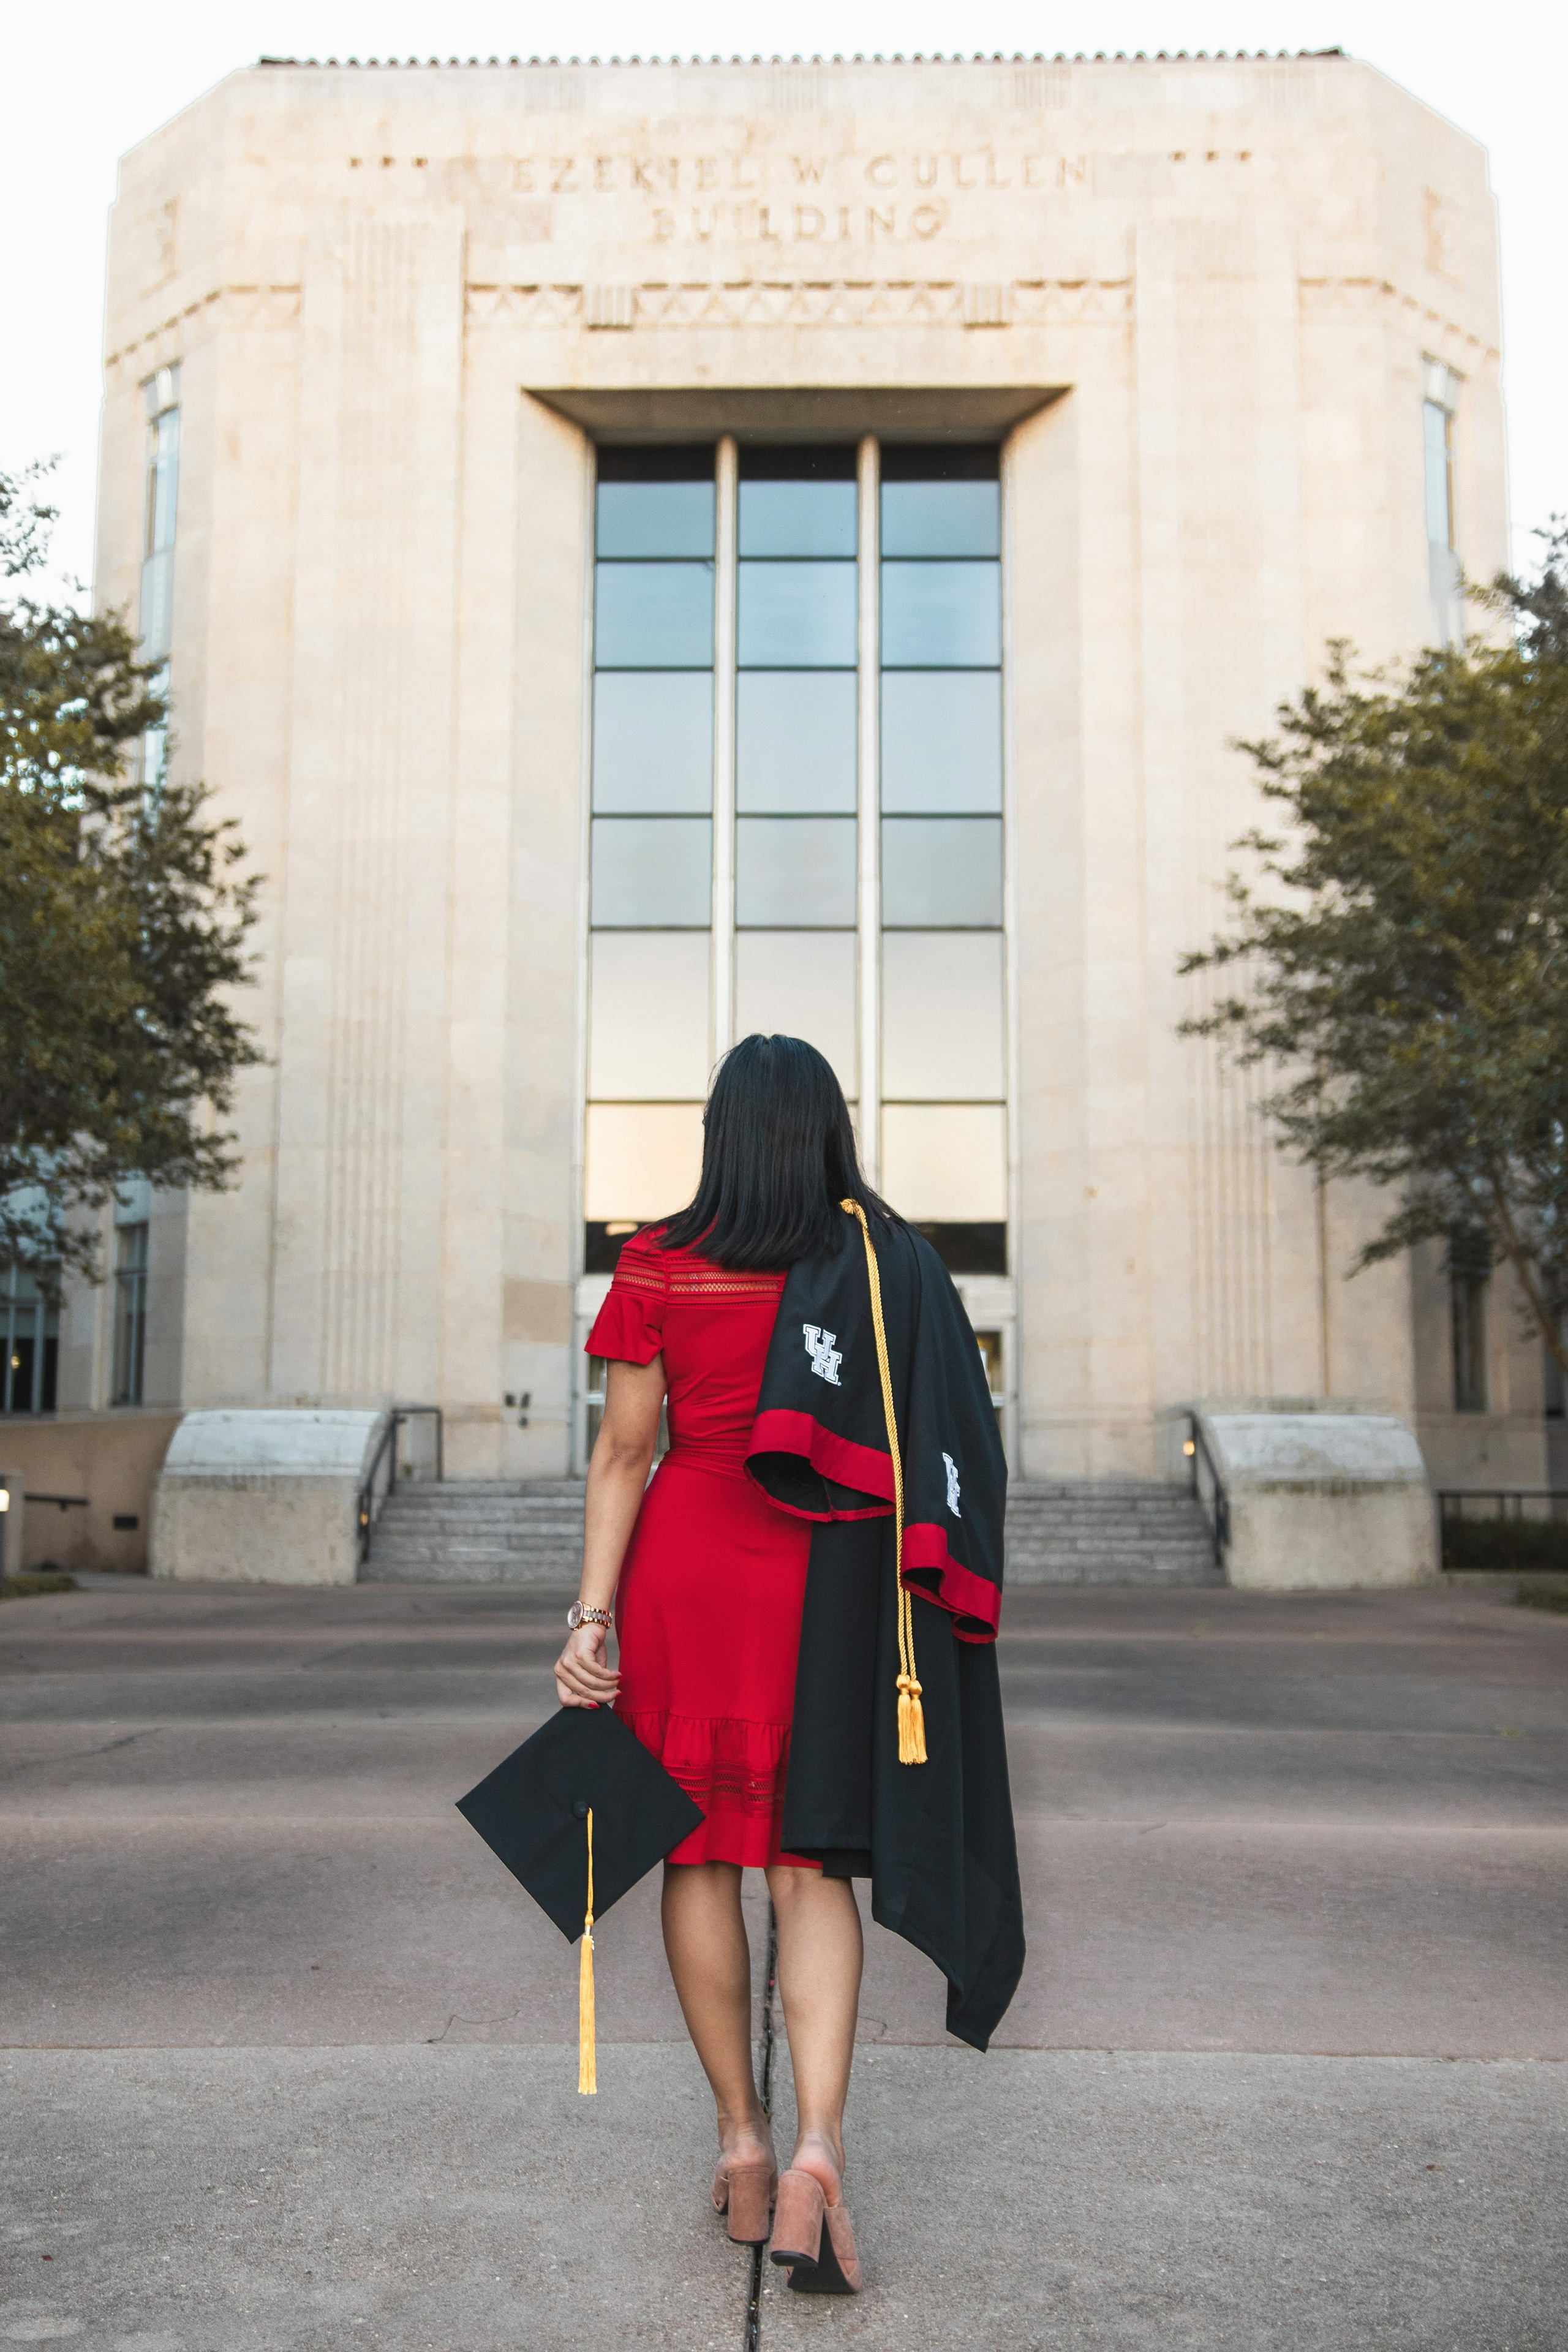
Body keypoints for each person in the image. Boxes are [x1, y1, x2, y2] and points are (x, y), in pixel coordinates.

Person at [554, 1033, 1021, 2296]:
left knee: (698, 1855)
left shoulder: (656, 1261)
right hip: (828, 1583)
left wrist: (589, 1619)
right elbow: (946, 1433)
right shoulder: (884, 1261)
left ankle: (743, 2146)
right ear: (828, 1132)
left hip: (685, 1573)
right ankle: (819, 2148)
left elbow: (624, 1452)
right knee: (807, 1864)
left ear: (717, 1133)